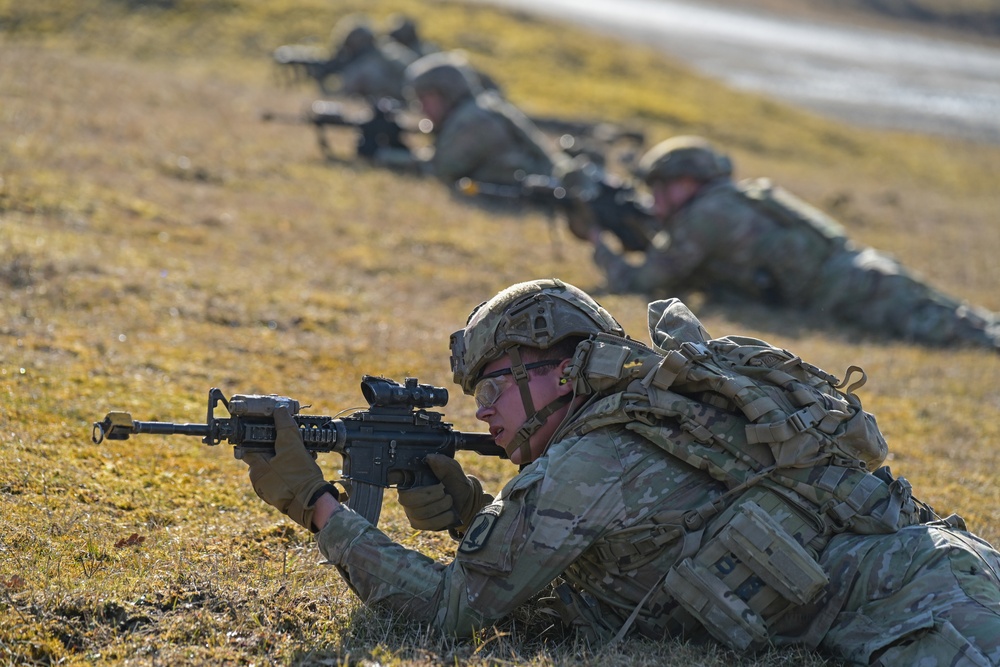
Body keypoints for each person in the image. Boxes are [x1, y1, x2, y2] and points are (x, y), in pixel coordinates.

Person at [243, 278, 1000, 665]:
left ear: (560, 374)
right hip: (944, 572)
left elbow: (452, 612)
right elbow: (606, 576)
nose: (483, 413)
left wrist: (315, 504)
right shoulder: (642, 414)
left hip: (930, 610)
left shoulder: (592, 456)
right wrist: (479, 512)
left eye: (495, 387)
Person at [589, 135, 1000, 351]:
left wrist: (598, 244)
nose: (656, 200)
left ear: (688, 182)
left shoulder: (705, 216)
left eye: (662, 188)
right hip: (859, 271)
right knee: (959, 316)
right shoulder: (726, 201)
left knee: (952, 330)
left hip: (847, 289)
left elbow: (646, 280)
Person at [372, 51, 565, 186]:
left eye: (425, 99)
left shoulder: (472, 120)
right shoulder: (475, 110)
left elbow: (442, 169)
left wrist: (386, 156)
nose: (422, 109)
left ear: (446, 94)